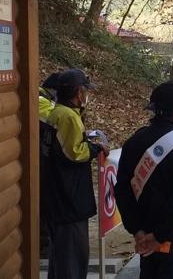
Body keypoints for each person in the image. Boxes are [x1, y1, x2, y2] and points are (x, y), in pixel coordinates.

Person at [115, 82, 173, 279]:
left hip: (145, 236)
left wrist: (137, 230)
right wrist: (159, 236)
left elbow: (122, 189)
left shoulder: (135, 140)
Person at [44, 69, 108, 279]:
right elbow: (74, 153)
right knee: (73, 255)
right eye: (85, 91)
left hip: (58, 194)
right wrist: (96, 148)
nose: (86, 95)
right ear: (79, 92)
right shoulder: (68, 116)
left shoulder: (58, 111)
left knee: (60, 255)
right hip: (70, 197)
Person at [39, 72, 61, 257]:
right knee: (43, 202)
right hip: (41, 160)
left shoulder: (46, 100)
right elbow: (57, 121)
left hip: (44, 158)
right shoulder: (40, 101)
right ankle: (43, 244)